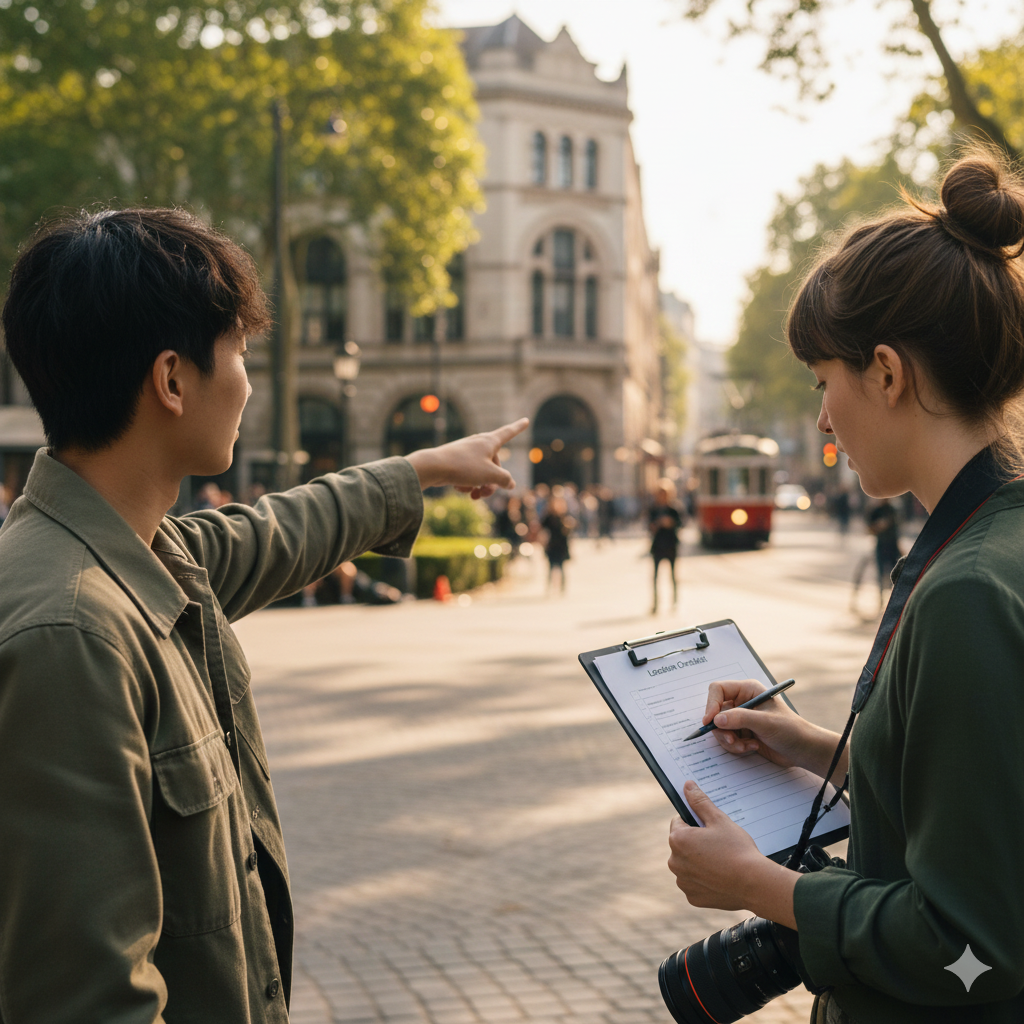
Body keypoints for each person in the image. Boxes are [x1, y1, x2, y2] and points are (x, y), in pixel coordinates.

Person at [0, 207, 528, 1023]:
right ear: (172, 380)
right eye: (241, 352)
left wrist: (421, 468)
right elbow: (89, 996)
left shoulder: (141, 553)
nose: (249, 380)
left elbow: (278, 531)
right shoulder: (71, 632)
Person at [665, 150, 1024, 1023]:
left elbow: (974, 951)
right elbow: (980, 799)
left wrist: (762, 887)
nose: (823, 419)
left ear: (889, 373)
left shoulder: (966, 592)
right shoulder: (995, 542)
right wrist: (813, 747)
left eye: (826, 383)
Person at [648, 478, 684, 614]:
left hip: (671, 545)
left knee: (673, 576)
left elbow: (681, 523)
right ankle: (656, 603)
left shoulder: (674, 509)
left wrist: (671, 523)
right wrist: (658, 524)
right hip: (657, 546)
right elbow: (649, 526)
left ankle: (674, 602)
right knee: (655, 577)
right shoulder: (653, 509)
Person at [867, 497, 901, 595]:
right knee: (881, 573)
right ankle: (881, 596)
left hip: (892, 545)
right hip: (881, 545)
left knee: (894, 573)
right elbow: (869, 528)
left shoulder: (893, 510)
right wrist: (878, 526)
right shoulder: (876, 511)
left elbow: (897, 528)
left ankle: (892, 595)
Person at [541, 495, 573, 592]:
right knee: (551, 567)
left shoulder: (564, 517)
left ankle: (562, 587)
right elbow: (542, 530)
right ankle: (549, 587)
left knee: (561, 567)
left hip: (561, 545)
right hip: (551, 545)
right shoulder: (548, 517)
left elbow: (568, 532)